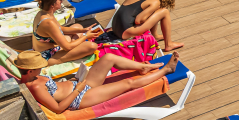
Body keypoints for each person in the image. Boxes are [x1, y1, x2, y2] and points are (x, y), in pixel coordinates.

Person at [18, 48, 179, 114]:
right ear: (30, 70)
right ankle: (167, 70)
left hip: (78, 84)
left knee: (108, 57)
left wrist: (76, 81)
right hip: (80, 97)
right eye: (39, 67)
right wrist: (78, 89)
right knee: (127, 84)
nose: (42, 67)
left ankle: (142, 67)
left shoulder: (31, 77)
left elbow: (56, 88)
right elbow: (58, 108)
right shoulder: (35, 87)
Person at [31, 0, 102, 66]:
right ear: (52, 5)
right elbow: (67, 47)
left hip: (52, 47)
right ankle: (75, 47)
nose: (62, 1)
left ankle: (75, 45)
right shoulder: (48, 23)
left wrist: (83, 30)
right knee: (92, 46)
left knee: (77, 26)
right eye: (60, 0)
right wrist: (86, 36)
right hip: (46, 56)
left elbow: (61, 29)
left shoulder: (43, 13)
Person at [111, 0, 181, 51]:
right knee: (165, 12)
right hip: (125, 32)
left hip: (115, 28)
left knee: (153, 11)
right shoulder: (155, 2)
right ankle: (169, 44)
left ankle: (155, 36)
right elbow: (139, 20)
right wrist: (152, 14)